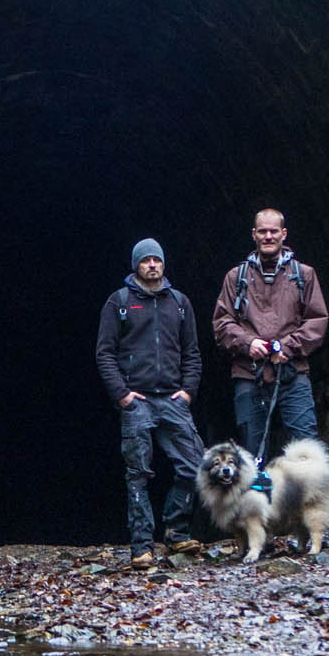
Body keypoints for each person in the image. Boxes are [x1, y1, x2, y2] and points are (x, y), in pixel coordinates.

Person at [95, 238, 205, 566]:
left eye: (157, 259)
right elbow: (105, 353)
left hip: (172, 398)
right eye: (146, 261)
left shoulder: (180, 303)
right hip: (137, 400)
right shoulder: (120, 302)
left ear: (164, 264)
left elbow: (192, 353)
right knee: (138, 472)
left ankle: (176, 530)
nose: (153, 265)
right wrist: (123, 395)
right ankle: (142, 545)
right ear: (136, 266)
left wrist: (188, 391)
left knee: (195, 463)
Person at [213, 209, 329, 462]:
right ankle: (259, 500)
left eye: (273, 231)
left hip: (292, 374)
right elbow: (222, 323)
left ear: (283, 234)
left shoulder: (304, 275)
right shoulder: (236, 278)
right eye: (262, 231)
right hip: (249, 374)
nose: (268, 236)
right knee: (250, 455)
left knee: (307, 449)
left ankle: (307, 501)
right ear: (253, 235)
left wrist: (286, 348)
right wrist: (248, 343)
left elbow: (317, 321)